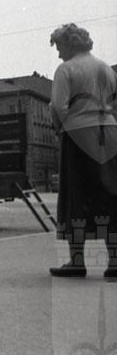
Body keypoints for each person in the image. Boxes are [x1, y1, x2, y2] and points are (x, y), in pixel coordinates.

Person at [48, 23, 117, 278]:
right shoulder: (106, 68)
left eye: (59, 46)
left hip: (78, 133)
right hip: (109, 132)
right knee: (110, 194)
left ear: (70, 43)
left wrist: (61, 128)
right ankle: (115, 261)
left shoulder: (66, 69)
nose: (58, 53)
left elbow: (58, 107)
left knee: (75, 196)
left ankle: (77, 261)